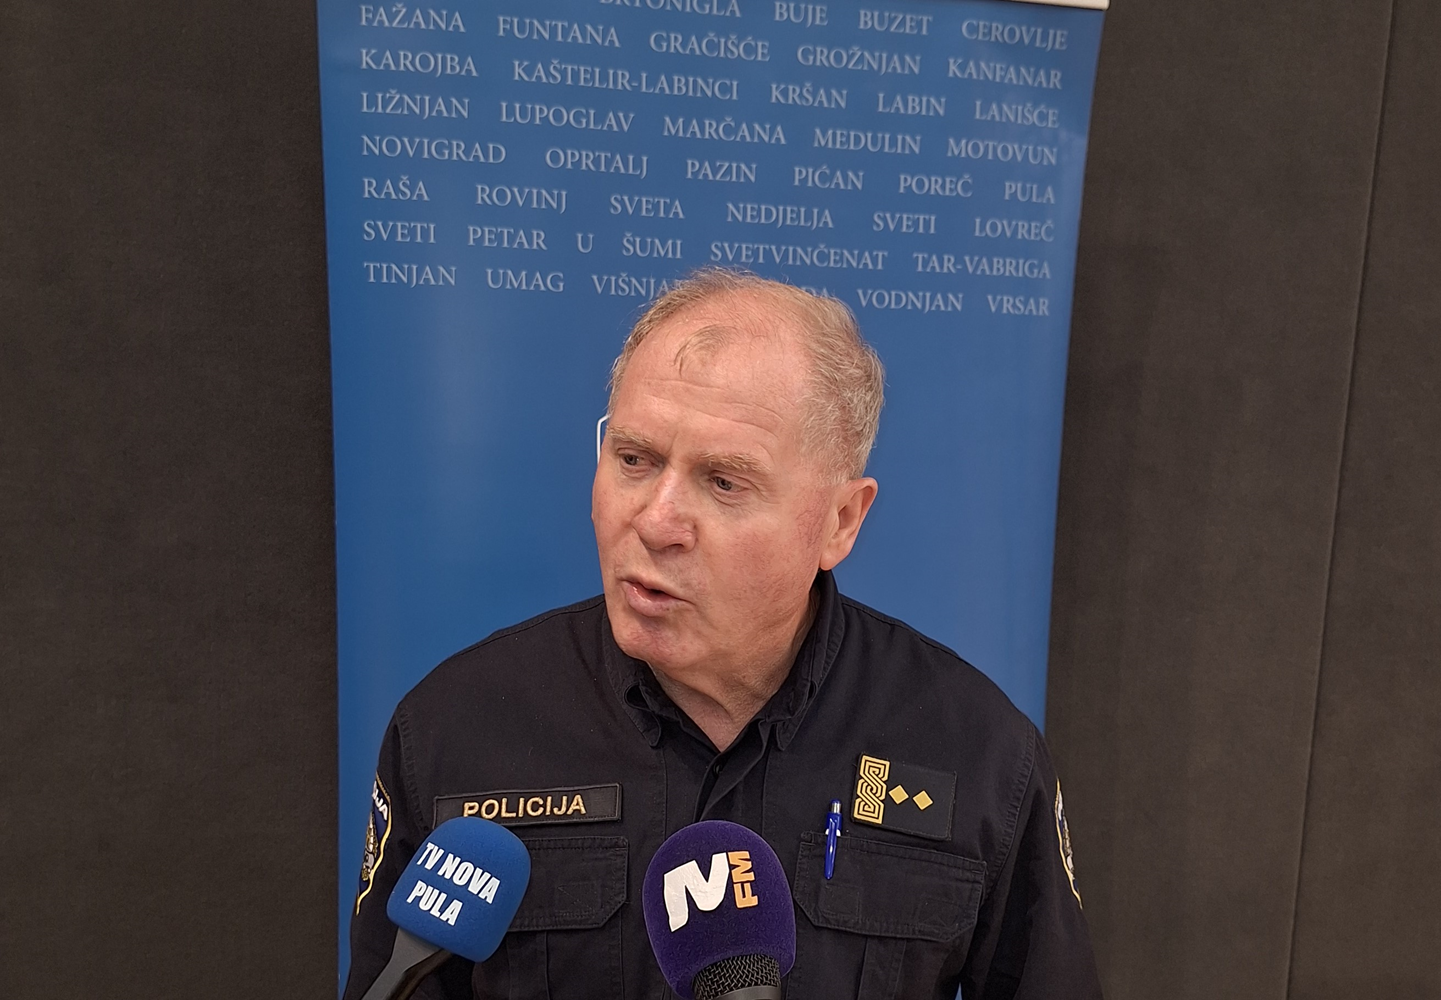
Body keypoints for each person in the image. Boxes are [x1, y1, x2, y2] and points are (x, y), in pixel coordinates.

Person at [344, 269, 1103, 999]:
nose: (656, 521)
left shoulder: (976, 751)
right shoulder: (456, 727)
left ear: (841, 521)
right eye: (634, 459)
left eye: (724, 482)